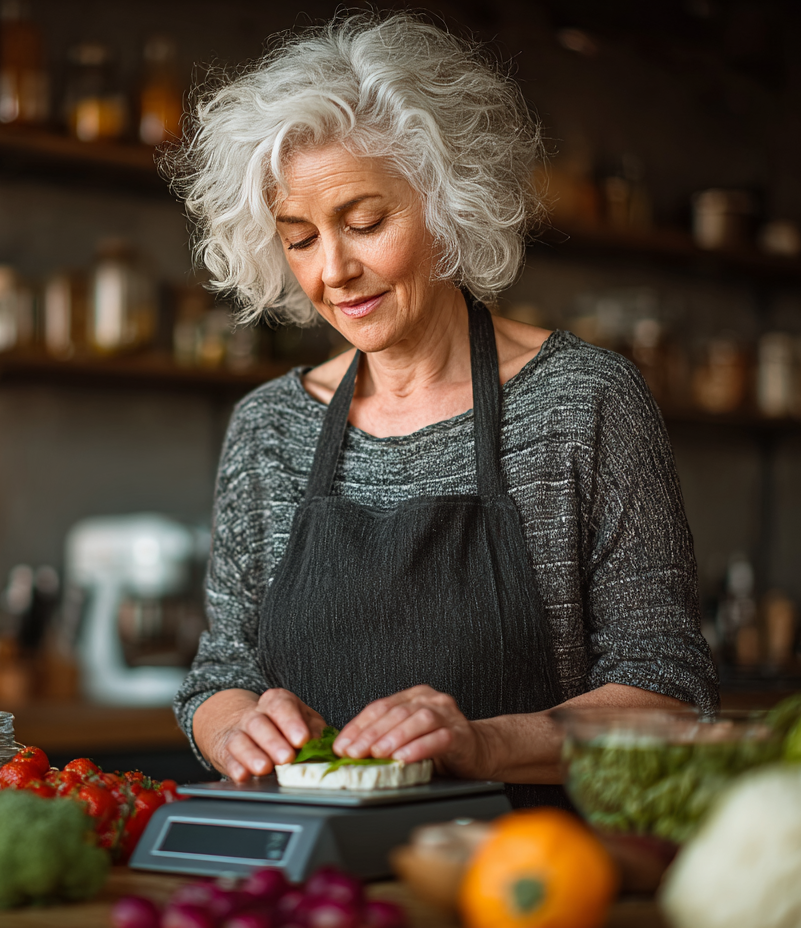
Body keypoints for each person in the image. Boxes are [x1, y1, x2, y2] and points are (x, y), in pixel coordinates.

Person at [167, 13, 718, 806]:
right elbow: (222, 672)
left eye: (365, 223)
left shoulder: (584, 402)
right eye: (299, 238)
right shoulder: (269, 428)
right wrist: (234, 728)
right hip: (315, 866)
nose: (333, 270)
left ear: (448, 201)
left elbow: (670, 695)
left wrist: (482, 743)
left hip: (524, 860)